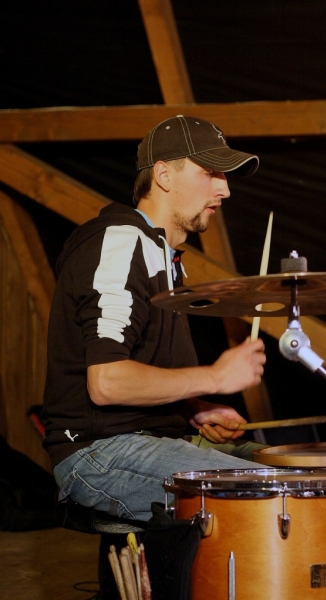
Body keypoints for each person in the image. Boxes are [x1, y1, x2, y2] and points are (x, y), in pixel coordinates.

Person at [42, 115, 267, 522]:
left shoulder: (164, 256)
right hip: (97, 451)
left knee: (295, 468)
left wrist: (193, 407)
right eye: (210, 172)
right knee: (269, 491)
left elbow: (140, 368)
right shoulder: (121, 242)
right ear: (163, 175)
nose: (225, 189)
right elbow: (106, 382)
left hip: (147, 438)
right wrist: (214, 377)